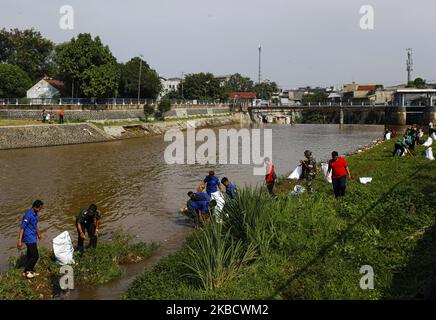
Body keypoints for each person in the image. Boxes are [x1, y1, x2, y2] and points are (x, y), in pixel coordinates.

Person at [17, 200, 44, 279]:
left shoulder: (35, 214)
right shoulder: (28, 215)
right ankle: (26, 271)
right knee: (35, 256)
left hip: (33, 236)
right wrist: (19, 240)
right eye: (40, 208)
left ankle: (30, 271)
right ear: (35, 207)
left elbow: (35, 225)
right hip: (28, 237)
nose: (40, 210)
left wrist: (38, 234)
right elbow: (22, 228)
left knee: (30, 254)